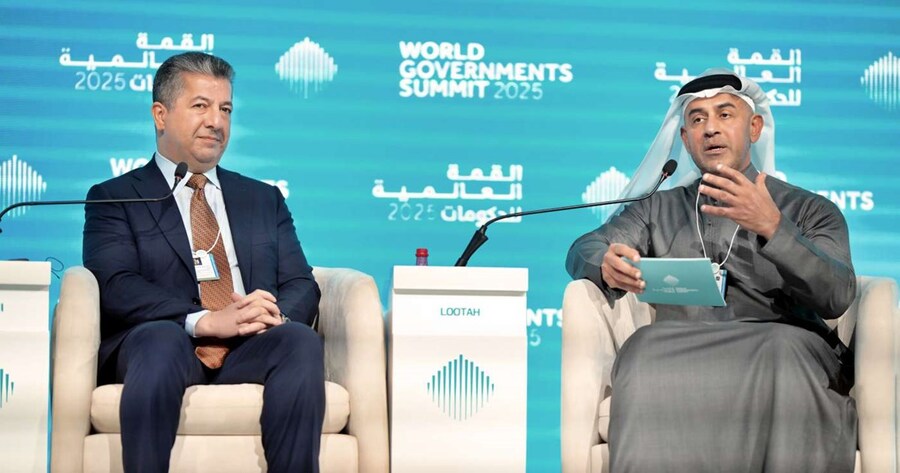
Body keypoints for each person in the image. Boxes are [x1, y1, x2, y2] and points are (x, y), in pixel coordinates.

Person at [566, 69, 857, 472]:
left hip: (780, 345)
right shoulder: (657, 208)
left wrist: (774, 227)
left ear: (755, 128)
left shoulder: (808, 209)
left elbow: (837, 294)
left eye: (724, 114)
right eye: (698, 119)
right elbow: (585, 247)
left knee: (781, 348)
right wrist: (605, 263)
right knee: (643, 347)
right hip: (683, 347)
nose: (710, 129)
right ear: (685, 140)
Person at [83, 52, 324, 473]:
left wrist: (271, 316)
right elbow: (117, 284)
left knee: (299, 341)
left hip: (249, 346)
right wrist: (205, 321)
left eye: (225, 109)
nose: (216, 121)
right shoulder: (115, 196)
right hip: (166, 343)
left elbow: (301, 282)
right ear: (160, 115)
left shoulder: (262, 198)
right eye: (201, 106)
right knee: (159, 338)